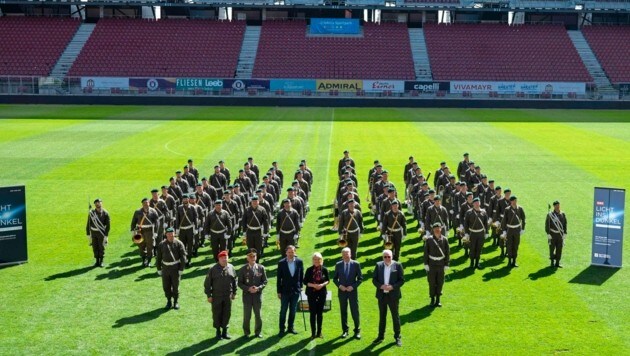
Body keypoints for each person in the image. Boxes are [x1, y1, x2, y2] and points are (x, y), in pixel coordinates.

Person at [372, 249, 404, 347]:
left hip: (393, 296)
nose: (387, 258)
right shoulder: (378, 265)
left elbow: (402, 280)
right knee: (382, 317)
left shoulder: (398, 265)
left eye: (388, 256)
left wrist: (392, 287)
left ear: (392, 257)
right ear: (382, 257)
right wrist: (381, 286)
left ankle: (397, 337)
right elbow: (374, 280)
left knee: (395, 316)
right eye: (385, 256)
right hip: (382, 296)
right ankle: (380, 336)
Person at [204, 250, 237, 340]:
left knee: (227, 313)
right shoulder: (213, 269)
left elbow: (234, 281)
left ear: (228, 258)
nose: (224, 259)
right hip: (216, 296)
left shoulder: (231, 267)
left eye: (225, 258)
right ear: (218, 259)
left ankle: (225, 332)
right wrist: (209, 295)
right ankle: (218, 331)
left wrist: (234, 292)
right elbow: (207, 284)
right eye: (222, 258)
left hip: (228, 296)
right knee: (217, 313)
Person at [333, 247, 363, 340]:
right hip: (342, 292)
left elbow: (360, 278)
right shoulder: (338, 265)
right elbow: (334, 279)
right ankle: (345, 330)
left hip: (352, 292)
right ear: (342, 255)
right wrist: (339, 286)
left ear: (350, 254)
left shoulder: (356, 264)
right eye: (344, 254)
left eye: (347, 253)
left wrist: (353, 286)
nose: (346, 255)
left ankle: (357, 331)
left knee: (355, 311)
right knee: (343, 311)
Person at [238, 248, 268, 338]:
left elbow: (265, 281)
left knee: (258, 315)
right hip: (247, 296)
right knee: (247, 316)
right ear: (247, 258)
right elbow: (239, 283)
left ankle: (258, 332)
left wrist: (258, 288)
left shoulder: (261, 268)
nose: (252, 258)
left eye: (254, 256)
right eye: (250, 256)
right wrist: (248, 288)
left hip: (257, 296)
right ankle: (246, 333)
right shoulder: (243, 269)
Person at [156, 227, 187, 310]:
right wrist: (158, 269)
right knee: (166, 286)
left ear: (174, 234)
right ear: (166, 234)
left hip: (175, 268)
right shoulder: (161, 244)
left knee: (175, 286)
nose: (170, 235)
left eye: (172, 233)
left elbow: (183, 257)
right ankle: (169, 301)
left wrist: (181, 269)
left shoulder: (179, 243)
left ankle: (175, 301)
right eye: (168, 234)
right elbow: (158, 258)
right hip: (165, 268)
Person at [277, 245, 304, 335]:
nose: (290, 254)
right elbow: (279, 278)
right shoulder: (281, 263)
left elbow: (301, 276)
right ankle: (281, 329)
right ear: (286, 253)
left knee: (293, 310)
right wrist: (279, 291)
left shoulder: (299, 262)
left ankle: (290, 327)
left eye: (292, 252)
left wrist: (301, 286)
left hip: (295, 291)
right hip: (284, 291)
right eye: (289, 252)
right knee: (283, 310)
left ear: (295, 252)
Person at [304, 252, 330, 339]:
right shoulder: (309, 270)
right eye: (315, 259)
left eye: (318, 259)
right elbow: (305, 282)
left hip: (322, 293)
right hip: (311, 293)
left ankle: (319, 332)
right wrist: (314, 285)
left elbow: (328, 280)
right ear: (312, 260)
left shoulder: (324, 269)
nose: (316, 261)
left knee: (320, 313)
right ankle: (313, 333)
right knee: (312, 313)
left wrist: (322, 285)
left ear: (321, 260)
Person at [424, 223, 450, 307]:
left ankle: (438, 299)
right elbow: (426, 252)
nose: (437, 231)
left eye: (438, 229)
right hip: (431, 264)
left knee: (440, 282)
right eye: (435, 229)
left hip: (441, 264)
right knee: (431, 282)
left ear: (441, 229)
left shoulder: (445, 240)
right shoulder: (429, 240)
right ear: (433, 230)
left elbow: (447, 253)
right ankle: (432, 299)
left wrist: (446, 264)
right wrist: (426, 264)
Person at [130, 198, 160, 267]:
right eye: (144, 203)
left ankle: (149, 261)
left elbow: (157, 222)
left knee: (150, 246)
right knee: (141, 246)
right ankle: (143, 260)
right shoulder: (137, 212)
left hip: (149, 231)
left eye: (147, 203)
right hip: (140, 231)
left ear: (149, 203)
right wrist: (132, 231)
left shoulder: (153, 211)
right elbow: (133, 221)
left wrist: (155, 232)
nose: (146, 204)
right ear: (142, 204)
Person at [242, 196, 270, 262]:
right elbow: (244, 221)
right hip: (249, 231)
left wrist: (266, 232)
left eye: (256, 201)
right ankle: (250, 261)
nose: (254, 203)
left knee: (259, 247)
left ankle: (257, 261)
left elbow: (265, 221)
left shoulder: (262, 209)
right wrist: (244, 231)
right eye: (253, 201)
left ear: (258, 202)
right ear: (251, 202)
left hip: (259, 231)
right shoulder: (247, 210)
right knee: (250, 247)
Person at [501, 195, 526, 267]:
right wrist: (504, 231)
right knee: (509, 245)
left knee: (516, 245)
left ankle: (514, 261)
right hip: (509, 230)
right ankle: (509, 261)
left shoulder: (520, 208)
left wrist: (523, 229)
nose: (514, 202)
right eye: (513, 201)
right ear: (510, 201)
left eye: (515, 200)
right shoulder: (507, 209)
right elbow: (504, 221)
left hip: (517, 230)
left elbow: (524, 219)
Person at [463, 197, 489, 269]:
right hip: (472, 233)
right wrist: (466, 233)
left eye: (478, 203)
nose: (477, 204)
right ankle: (471, 263)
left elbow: (486, 223)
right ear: (473, 204)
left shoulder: (483, 212)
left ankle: (477, 263)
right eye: (475, 203)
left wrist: (487, 232)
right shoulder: (469, 212)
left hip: (480, 233)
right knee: (472, 248)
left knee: (479, 248)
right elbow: (466, 224)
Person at [86, 198, 110, 268]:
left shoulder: (105, 213)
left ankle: (101, 261)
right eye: (96, 203)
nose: (98, 204)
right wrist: (88, 234)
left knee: (101, 247)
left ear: (101, 203)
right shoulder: (91, 213)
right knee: (95, 247)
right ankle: (97, 261)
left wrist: (106, 235)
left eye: (99, 203)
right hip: (93, 232)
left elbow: (108, 226)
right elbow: (88, 224)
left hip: (101, 233)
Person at [546, 200, 567, 268]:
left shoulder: (562, 214)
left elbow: (565, 224)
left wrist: (565, 233)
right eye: (556, 205)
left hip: (560, 234)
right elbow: (547, 225)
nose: (557, 207)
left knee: (559, 248)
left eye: (558, 205)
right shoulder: (550, 214)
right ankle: (552, 262)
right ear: (554, 206)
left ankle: (557, 262)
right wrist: (548, 233)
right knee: (552, 248)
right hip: (552, 234)